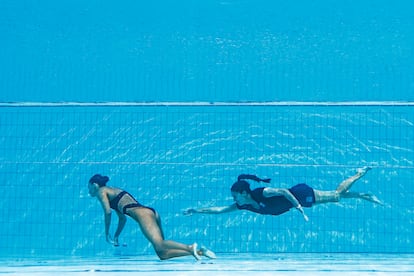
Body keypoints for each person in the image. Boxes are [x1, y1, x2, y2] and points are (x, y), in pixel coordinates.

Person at [88, 174, 215, 260]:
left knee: (160, 243)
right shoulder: (114, 191)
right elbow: (122, 219)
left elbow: (107, 212)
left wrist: (106, 233)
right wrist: (116, 236)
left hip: (143, 214)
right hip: (151, 212)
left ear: (94, 185)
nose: (89, 192)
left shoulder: (101, 191)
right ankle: (199, 252)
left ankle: (189, 247)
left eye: (89, 188)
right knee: (162, 253)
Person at [184, 167, 382, 221]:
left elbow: (283, 191)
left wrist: (298, 207)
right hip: (299, 202)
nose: (233, 199)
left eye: (235, 195)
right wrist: (197, 210)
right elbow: (219, 210)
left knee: (336, 196)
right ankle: (363, 195)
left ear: (244, 192)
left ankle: (359, 172)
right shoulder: (244, 204)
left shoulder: (262, 193)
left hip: (300, 194)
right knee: (335, 196)